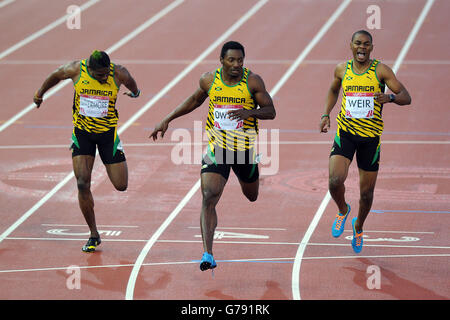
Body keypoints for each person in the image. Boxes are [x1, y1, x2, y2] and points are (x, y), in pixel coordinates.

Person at [150, 41, 276, 271]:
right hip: (217, 149)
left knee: (252, 196)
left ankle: (250, 174)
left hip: (244, 151)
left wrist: (249, 112)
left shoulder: (252, 81)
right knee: (208, 196)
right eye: (231, 60)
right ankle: (208, 253)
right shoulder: (209, 80)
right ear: (221, 60)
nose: (236, 64)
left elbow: (271, 111)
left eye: (240, 60)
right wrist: (167, 119)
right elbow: (194, 101)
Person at [33, 50, 140, 252]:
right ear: (89, 69)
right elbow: (55, 75)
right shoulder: (76, 70)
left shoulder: (119, 73)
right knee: (82, 183)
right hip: (83, 135)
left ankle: (94, 232)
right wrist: (40, 93)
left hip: (108, 135)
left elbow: (133, 85)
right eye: (98, 75)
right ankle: (94, 234)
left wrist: (135, 93)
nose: (102, 78)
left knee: (121, 185)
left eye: (105, 75)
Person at [319, 30, 411, 253]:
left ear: (371, 47)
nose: (362, 48)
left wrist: (389, 97)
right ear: (351, 45)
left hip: (370, 139)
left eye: (366, 44)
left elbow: (406, 97)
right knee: (334, 180)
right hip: (346, 134)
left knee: (367, 194)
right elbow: (333, 89)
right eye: (358, 44)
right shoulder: (342, 69)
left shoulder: (381, 70)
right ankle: (343, 209)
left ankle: (358, 226)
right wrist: (325, 114)